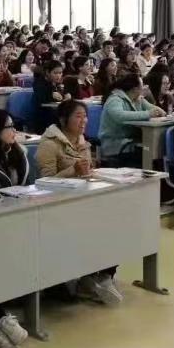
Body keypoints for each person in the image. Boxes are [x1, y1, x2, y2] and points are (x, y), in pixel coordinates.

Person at [36, 100, 124, 304]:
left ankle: (101, 275)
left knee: (115, 225)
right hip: (58, 205)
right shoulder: (49, 143)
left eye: (85, 116)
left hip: (83, 200)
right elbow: (44, 182)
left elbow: (87, 173)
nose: (83, 121)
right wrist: (72, 170)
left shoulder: (82, 140)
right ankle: (84, 279)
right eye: (78, 116)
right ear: (63, 119)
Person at [98, 75, 165, 166]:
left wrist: (159, 111)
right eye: (142, 86)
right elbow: (120, 116)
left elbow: (154, 109)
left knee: (156, 152)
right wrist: (148, 114)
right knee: (148, 153)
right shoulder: (114, 99)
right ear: (135, 89)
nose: (144, 88)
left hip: (131, 141)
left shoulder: (137, 99)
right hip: (115, 143)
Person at [32, 60, 70, 134]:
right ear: (47, 72)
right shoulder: (39, 83)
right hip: (44, 118)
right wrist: (51, 94)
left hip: (57, 112)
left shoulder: (58, 83)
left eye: (60, 73)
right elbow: (42, 102)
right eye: (55, 73)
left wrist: (67, 95)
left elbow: (64, 94)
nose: (58, 76)